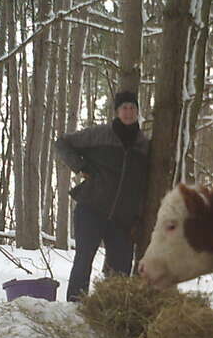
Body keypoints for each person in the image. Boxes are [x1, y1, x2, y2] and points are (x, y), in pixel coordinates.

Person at [55, 91, 150, 301]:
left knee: (122, 268)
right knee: (83, 259)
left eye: (132, 108)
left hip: (122, 219)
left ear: (137, 112)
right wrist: (81, 167)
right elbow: (62, 143)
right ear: (117, 111)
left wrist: (138, 216)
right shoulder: (100, 134)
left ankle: (110, 310)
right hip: (92, 208)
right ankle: (75, 307)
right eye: (124, 108)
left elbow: (143, 185)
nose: (128, 112)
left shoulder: (144, 145)